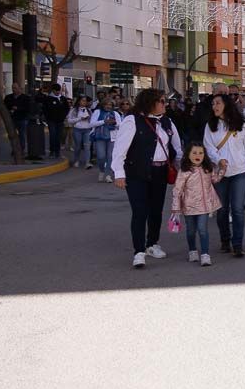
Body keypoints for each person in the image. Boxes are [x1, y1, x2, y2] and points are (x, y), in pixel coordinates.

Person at [112, 88, 183, 268]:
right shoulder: (132, 121)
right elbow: (120, 150)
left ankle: (152, 243)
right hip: (137, 172)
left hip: (160, 172)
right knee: (140, 211)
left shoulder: (167, 122)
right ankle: (139, 251)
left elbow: (177, 149)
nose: (164, 104)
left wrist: (182, 168)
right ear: (150, 103)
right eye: (160, 101)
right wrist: (119, 173)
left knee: (156, 210)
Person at [204, 93, 245, 257]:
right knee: (221, 210)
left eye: (218, 103)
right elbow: (207, 146)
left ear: (227, 105)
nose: (215, 106)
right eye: (213, 104)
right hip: (220, 174)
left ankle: (238, 244)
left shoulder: (243, 125)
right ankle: (225, 240)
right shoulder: (210, 126)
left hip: (240, 172)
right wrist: (218, 159)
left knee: (237, 209)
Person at [171, 142, 227, 267]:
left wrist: (222, 170)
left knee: (203, 230)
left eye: (201, 153)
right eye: (194, 153)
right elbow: (177, 190)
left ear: (204, 155)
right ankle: (192, 250)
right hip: (189, 206)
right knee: (191, 230)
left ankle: (205, 254)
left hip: (204, 206)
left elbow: (215, 180)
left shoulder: (208, 168)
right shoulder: (184, 171)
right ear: (188, 155)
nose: (198, 155)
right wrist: (175, 207)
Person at [89, 98, 120, 182]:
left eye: (110, 105)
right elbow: (91, 124)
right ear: (103, 105)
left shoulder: (115, 113)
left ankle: (108, 175)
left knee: (110, 156)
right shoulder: (97, 112)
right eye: (106, 104)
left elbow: (120, 125)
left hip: (112, 137)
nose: (108, 106)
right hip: (100, 136)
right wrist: (104, 121)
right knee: (101, 156)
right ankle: (102, 170)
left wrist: (115, 123)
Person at [42, 84, 70, 160]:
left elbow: (67, 108)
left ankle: (57, 151)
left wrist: (63, 116)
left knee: (58, 136)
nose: (58, 92)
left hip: (60, 120)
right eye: (56, 91)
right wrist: (47, 117)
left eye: (59, 90)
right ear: (53, 90)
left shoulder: (62, 99)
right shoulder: (48, 98)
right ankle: (52, 151)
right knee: (53, 135)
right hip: (51, 120)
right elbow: (45, 109)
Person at [4, 83, 31, 155]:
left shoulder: (26, 98)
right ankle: (14, 149)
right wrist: (10, 110)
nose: (14, 89)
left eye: (15, 88)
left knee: (22, 135)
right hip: (12, 119)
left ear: (20, 89)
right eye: (13, 88)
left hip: (22, 119)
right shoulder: (8, 97)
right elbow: (5, 107)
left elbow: (28, 108)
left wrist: (18, 108)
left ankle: (21, 149)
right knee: (12, 135)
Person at [68, 96, 94, 169]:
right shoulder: (74, 110)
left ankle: (87, 162)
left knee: (87, 146)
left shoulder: (88, 110)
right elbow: (70, 120)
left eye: (85, 101)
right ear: (79, 101)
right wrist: (80, 118)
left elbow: (92, 121)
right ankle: (76, 160)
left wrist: (89, 119)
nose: (84, 102)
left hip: (87, 130)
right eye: (82, 101)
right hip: (77, 129)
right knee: (78, 146)